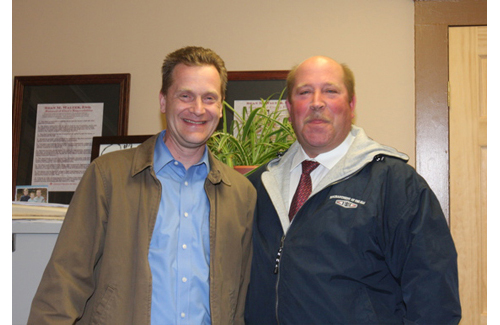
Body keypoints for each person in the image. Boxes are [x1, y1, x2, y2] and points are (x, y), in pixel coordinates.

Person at [28, 46, 257, 324]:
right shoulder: (108, 176)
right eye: (185, 96)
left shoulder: (241, 194)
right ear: (163, 101)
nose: (197, 109)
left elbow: (240, 299)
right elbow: (65, 279)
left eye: (209, 98)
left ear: (220, 107)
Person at [244, 56, 461, 324]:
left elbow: (434, 299)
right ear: (290, 108)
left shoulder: (395, 184)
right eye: (304, 92)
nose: (316, 103)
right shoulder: (258, 186)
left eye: (331, 91)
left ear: (351, 104)